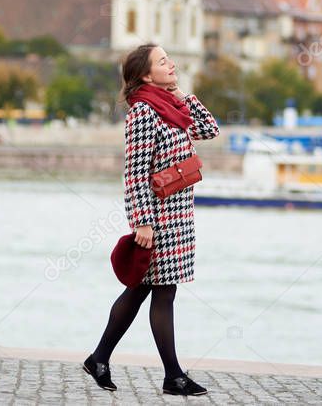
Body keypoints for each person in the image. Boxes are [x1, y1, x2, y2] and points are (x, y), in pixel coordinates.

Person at [83, 43, 220, 397]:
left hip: (178, 215)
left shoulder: (171, 106)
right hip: (158, 218)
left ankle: (99, 358)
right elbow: (135, 172)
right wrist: (142, 222)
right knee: (162, 291)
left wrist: (182, 94)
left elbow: (208, 129)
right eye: (163, 62)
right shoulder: (143, 113)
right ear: (146, 74)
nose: (171, 64)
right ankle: (173, 376)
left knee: (144, 288)